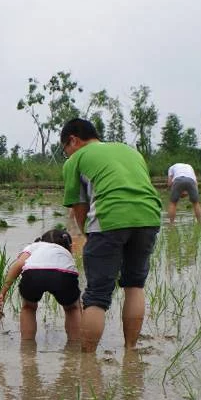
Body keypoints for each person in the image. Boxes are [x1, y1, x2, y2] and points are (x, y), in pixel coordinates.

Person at [61, 118, 161, 353]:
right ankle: (130, 351)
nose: (67, 155)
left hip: (110, 219)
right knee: (135, 284)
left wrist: (89, 235)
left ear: (73, 140)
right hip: (149, 217)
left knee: (96, 295)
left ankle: (87, 361)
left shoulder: (76, 160)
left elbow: (79, 208)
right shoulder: (130, 151)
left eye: (65, 149)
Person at [0, 229, 81, 343]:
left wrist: (2, 293)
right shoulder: (66, 253)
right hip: (63, 274)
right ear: (69, 246)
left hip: (33, 272)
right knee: (72, 309)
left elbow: (19, 264)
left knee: (28, 308)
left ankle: (27, 349)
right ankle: (74, 348)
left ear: (42, 240)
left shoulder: (34, 246)